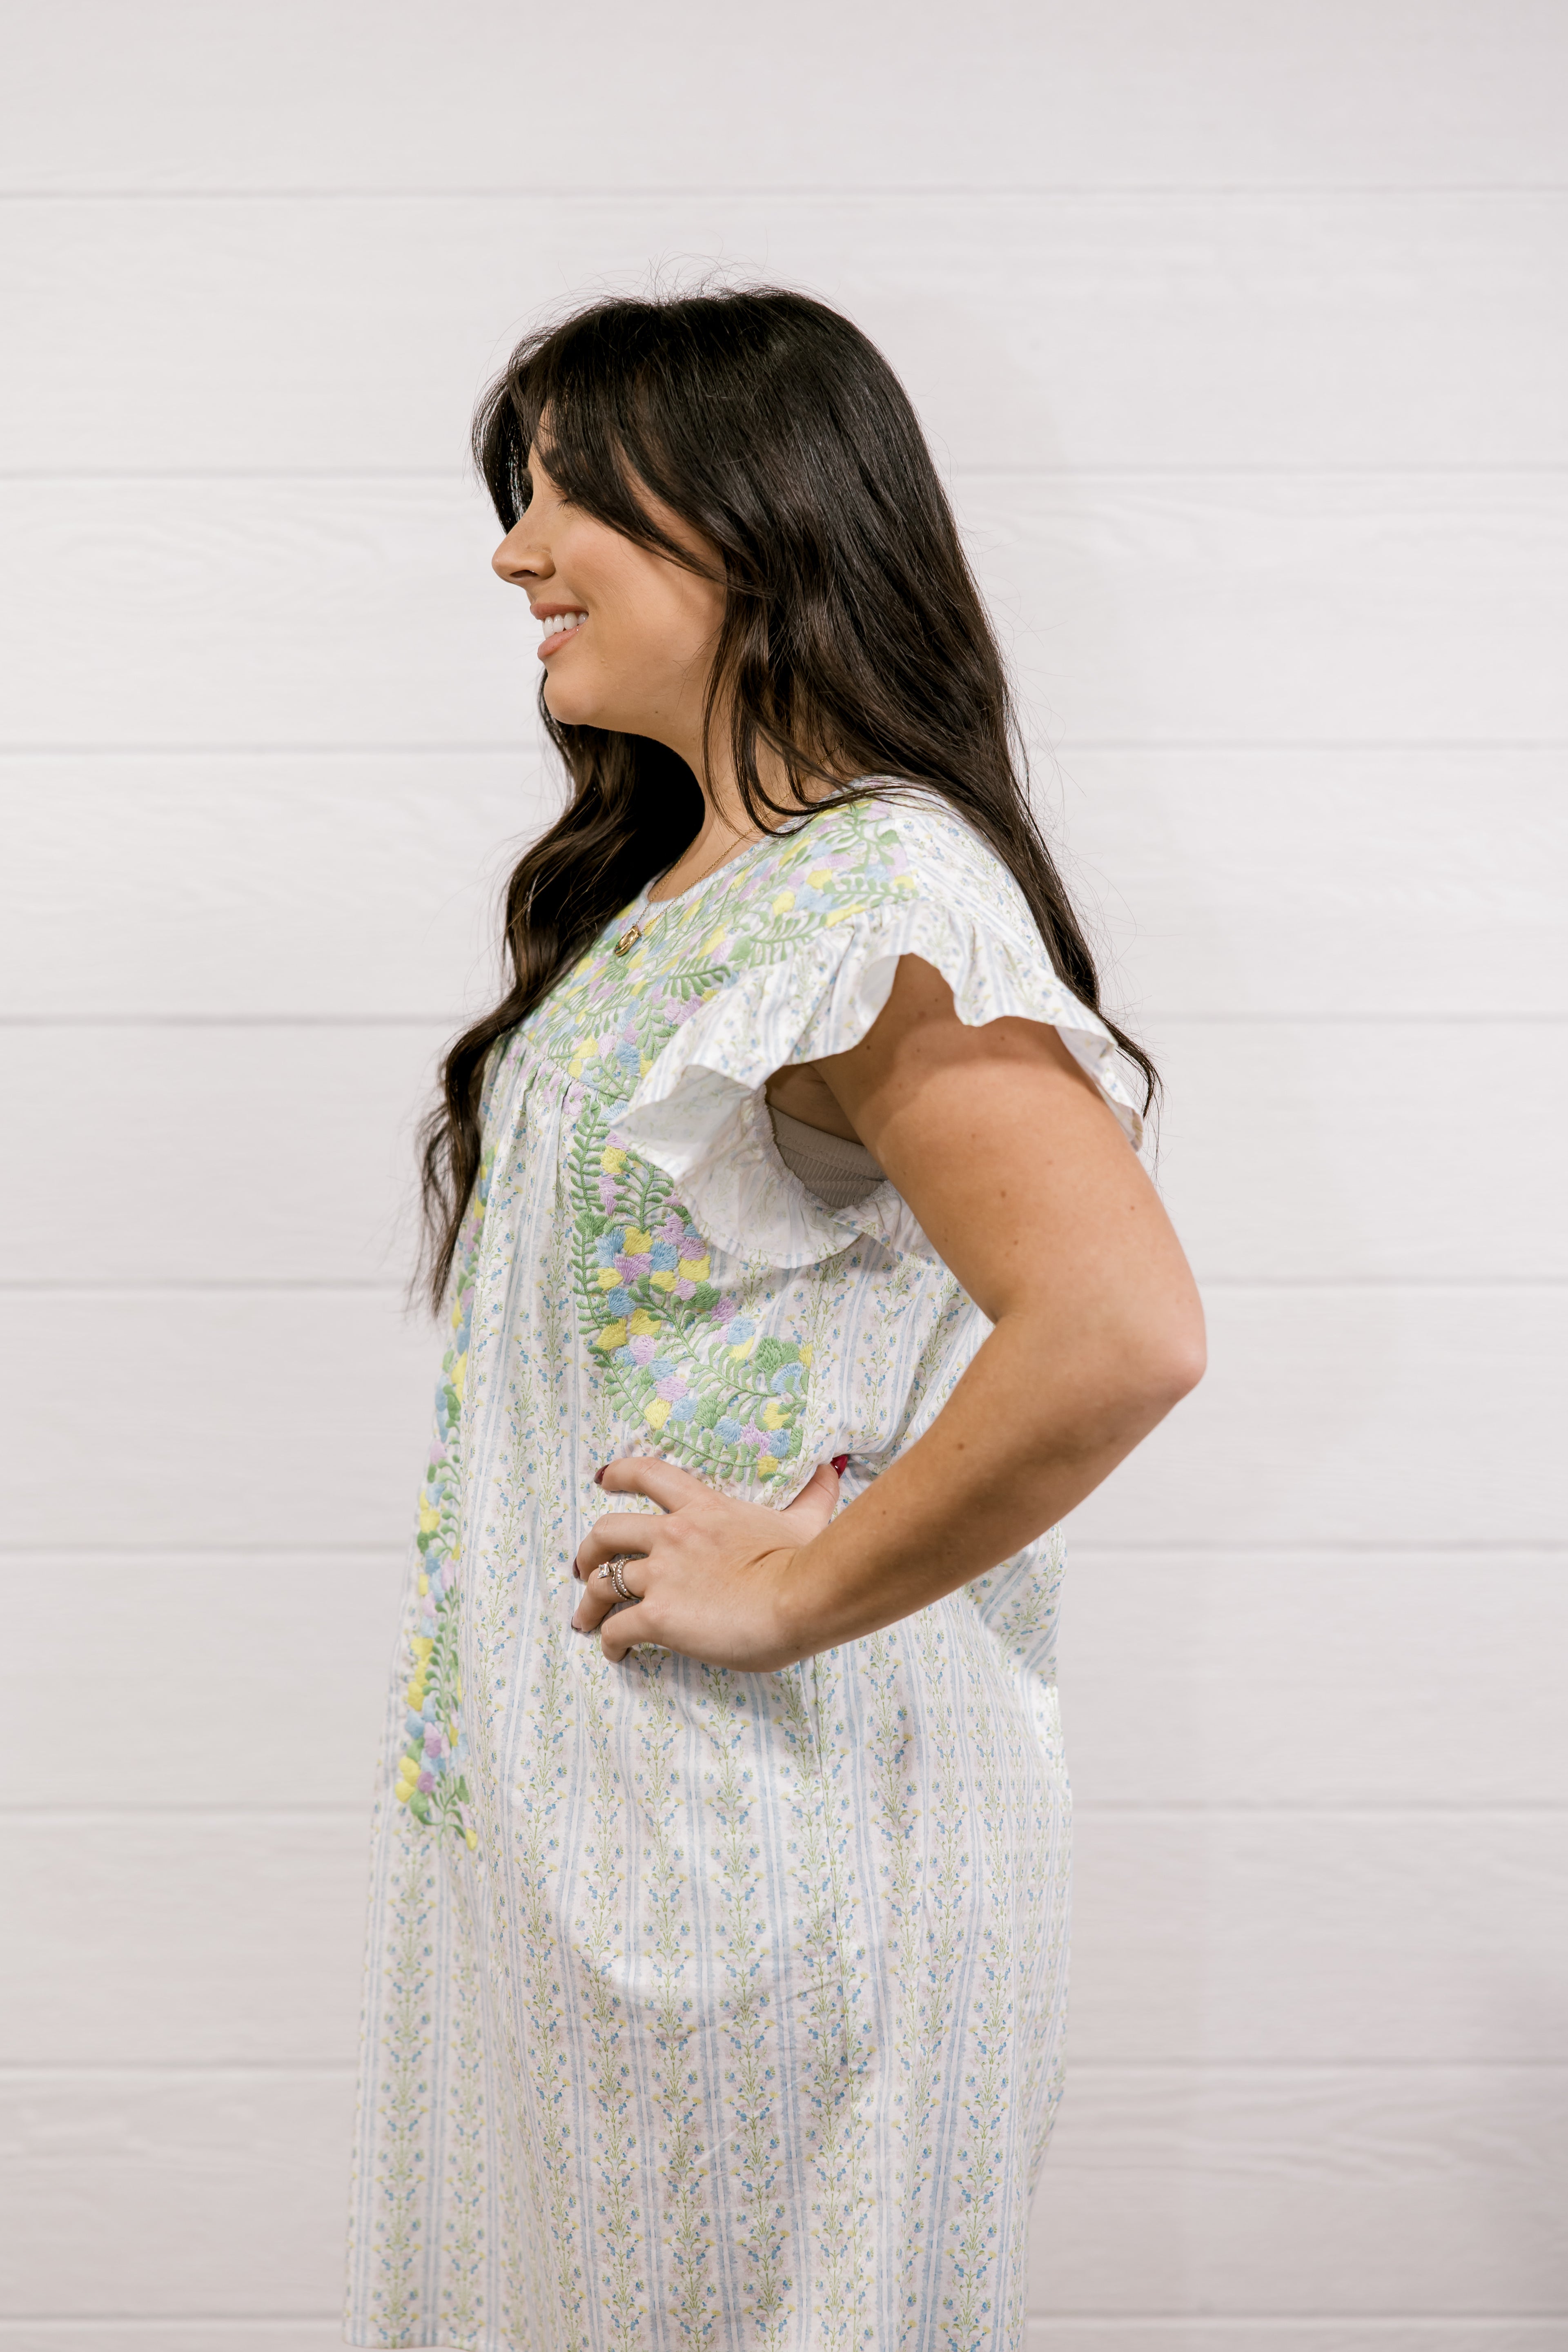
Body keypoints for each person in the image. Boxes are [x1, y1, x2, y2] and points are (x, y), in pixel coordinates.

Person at [346, 287, 1204, 2352]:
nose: (512, 554)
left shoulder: (877, 902)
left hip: (782, 1864)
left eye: (568, 504)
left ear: (757, 528)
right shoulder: (685, 889)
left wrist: (800, 1591)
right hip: (607, 1851)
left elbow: (1118, 1329)